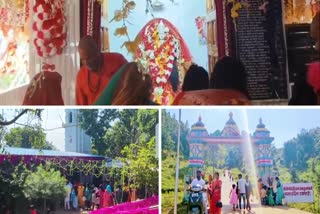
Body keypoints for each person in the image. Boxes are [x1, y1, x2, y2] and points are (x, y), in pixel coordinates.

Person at [76, 36, 127, 105]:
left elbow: (132, 84)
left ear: (97, 51)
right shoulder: (81, 76)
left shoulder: (117, 60)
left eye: (89, 58)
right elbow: (82, 108)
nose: (86, 63)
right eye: (83, 60)